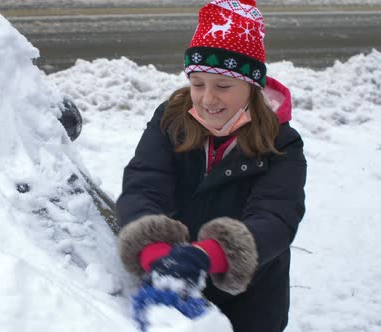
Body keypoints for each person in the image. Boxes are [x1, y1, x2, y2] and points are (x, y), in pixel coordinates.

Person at [115, 0, 307, 331]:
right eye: (198, 83)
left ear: (252, 86)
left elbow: (276, 217)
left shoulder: (282, 143)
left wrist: (208, 255)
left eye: (223, 86)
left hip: (251, 301)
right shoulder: (170, 120)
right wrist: (155, 250)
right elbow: (144, 184)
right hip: (169, 277)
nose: (207, 98)